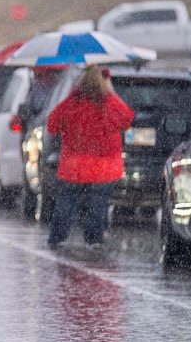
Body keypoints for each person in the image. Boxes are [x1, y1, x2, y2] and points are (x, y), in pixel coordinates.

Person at [46, 65, 134, 249]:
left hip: (74, 165)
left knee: (66, 202)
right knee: (97, 204)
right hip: (104, 166)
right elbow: (127, 119)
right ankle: (94, 239)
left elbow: (52, 125)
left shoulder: (72, 102)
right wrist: (111, 90)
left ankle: (57, 236)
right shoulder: (110, 103)